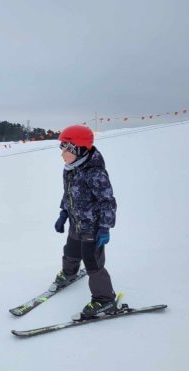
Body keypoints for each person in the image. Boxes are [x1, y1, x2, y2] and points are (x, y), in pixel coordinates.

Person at [53, 125, 117, 317]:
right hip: (76, 221)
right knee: (71, 250)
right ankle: (69, 273)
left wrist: (104, 228)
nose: (62, 154)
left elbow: (108, 202)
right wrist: (63, 213)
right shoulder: (70, 169)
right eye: (61, 148)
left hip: (93, 227)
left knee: (92, 261)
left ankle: (105, 299)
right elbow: (68, 194)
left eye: (66, 149)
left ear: (79, 149)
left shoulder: (95, 173)